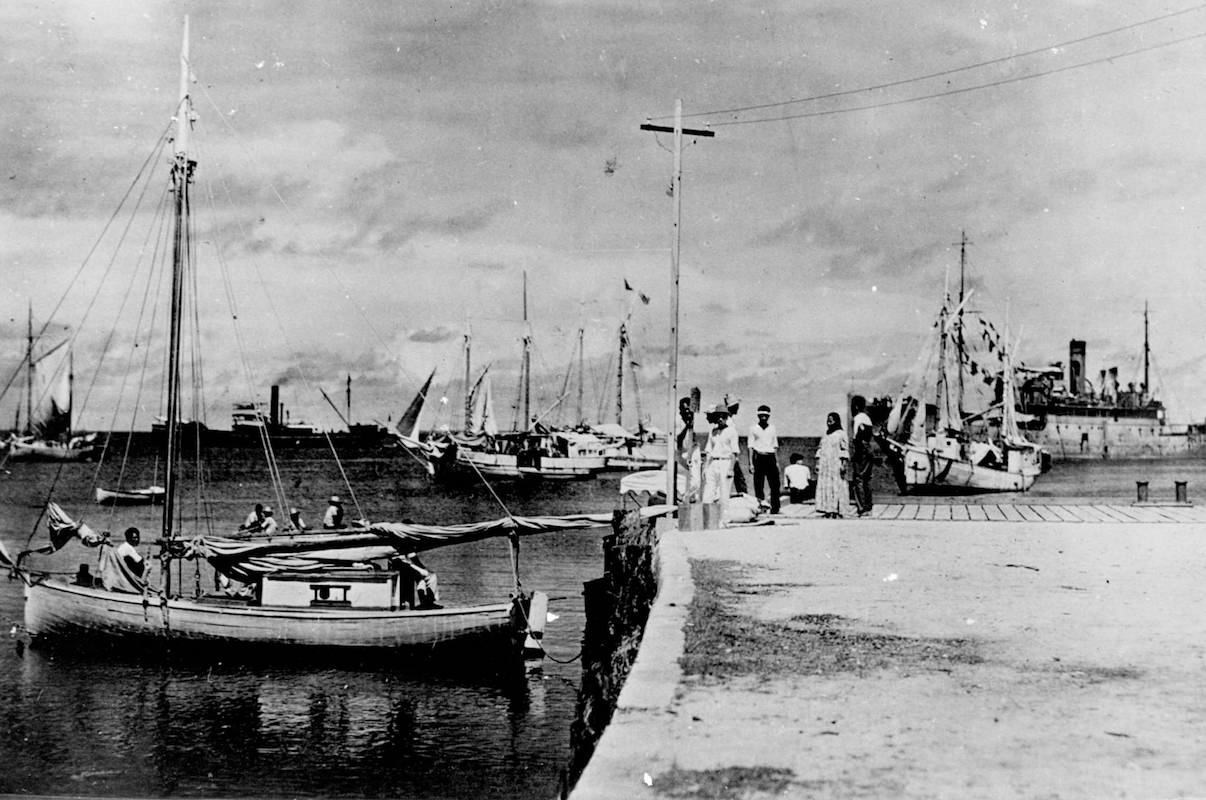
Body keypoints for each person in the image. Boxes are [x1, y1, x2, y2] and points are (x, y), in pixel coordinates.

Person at [701, 403, 740, 508]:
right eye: (718, 416)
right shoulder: (713, 431)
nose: (721, 418)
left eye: (723, 416)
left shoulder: (732, 431)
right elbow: (708, 450)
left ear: (727, 417)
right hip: (713, 463)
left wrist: (731, 469)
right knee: (708, 492)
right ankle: (707, 519)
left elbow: (734, 452)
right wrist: (705, 467)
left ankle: (723, 521)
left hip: (725, 462)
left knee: (723, 494)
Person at [816, 412, 849, 518]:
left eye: (831, 419)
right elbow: (820, 449)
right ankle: (827, 509)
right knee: (826, 486)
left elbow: (844, 450)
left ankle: (836, 510)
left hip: (836, 464)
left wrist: (844, 464)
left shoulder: (841, 434)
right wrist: (817, 464)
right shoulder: (825, 434)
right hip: (825, 465)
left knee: (836, 486)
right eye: (828, 419)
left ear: (837, 421)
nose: (829, 422)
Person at [748, 404, 780, 514]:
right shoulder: (753, 428)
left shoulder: (772, 428)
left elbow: (775, 446)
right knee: (759, 484)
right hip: (759, 458)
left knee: (775, 485)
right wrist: (751, 464)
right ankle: (760, 508)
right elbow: (750, 448)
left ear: (769, 416)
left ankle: (775, 508)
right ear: (758, 415)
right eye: (761, 415)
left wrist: (777, 462)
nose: (764, 417)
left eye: (766, 416)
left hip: (770, 457)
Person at [850, 395, 875, 517]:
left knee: (858, 479)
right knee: (867, 479)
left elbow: (857, 437)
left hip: (861, 449)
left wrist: (855, 454)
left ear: (855, 406)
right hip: (869, 448)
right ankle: (869, 506)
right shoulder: (867, 418)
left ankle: (862, 507)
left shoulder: (858, 418)